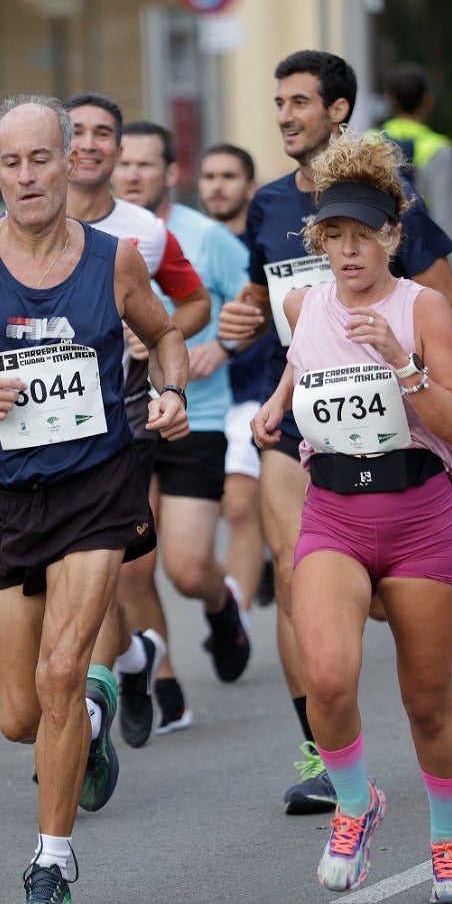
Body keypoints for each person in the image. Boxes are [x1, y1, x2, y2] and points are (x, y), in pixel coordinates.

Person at [0, 93, 189, 904]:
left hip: (97, 486)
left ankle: (51, 868)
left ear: (70, 163)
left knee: (59, 676)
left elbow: (164, 334)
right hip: (4, 497)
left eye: (41, 159)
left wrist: (169, 392)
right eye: (11, 164)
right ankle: (93, 713)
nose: (27, 176)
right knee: (21, 715)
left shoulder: (116, 258)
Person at [217, 49, 452, 817]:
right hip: (301, 420)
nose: (286, 115)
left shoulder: (394, 205)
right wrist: (239, 327)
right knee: (298, 580)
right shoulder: (264, 205)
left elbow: (450, 306)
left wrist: (397, 355)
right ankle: (322, 750)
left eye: (300, 102)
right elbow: (269, 305)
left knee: (389, 611)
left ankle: (430, 624)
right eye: (279, 102)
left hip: (396, 427)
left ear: (338, 111)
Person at [252, 128, 452, 901]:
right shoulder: (303, 302)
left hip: (419, 517)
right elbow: (300, 364)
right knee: (327, 675)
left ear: (393, 236)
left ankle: (449, 840)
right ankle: (356, 804)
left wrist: (403, 364)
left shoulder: (425, 309)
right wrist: (275, 407)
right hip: (335, 516)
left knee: (428, 700)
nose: (348, 252)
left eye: (363, 236)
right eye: (333, 236)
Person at [60, 93, 231, 752]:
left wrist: (158, 343)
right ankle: (132, 664)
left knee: (115, 572)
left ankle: (91, 715)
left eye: (106, 132)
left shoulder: (147, 232)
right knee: (75, 581)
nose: (95, 144)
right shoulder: (13, 229)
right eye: (79, 132)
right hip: (44, 431)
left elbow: (191, 305)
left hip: (128, 419)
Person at [114, 120, 254, 736]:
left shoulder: (204, 236)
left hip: (194, 416)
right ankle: (163, 680)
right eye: (124, 164)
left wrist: (221, 344)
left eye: (147, 164)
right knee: (129, 568)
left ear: (171, 172)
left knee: (187, 568)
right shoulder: (95, 236)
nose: (133, 174)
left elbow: (254, 297)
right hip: (123, 421)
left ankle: (222, 607)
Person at [200, 143, 274, 617]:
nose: (217, 186)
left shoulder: (265, 246)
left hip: (255, 390)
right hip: (202, 398)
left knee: (238, 505)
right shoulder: (187, 242)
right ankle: (264, 554)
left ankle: (238, 623)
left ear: (250, 187)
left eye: (228, 176)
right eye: (209, 176)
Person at [380, 64, 452, 282]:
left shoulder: (371, 142)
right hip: (425, 256)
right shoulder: (440, 148)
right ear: (427, 100)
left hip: (381, 254)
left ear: (390, 99)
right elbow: (445, 216)